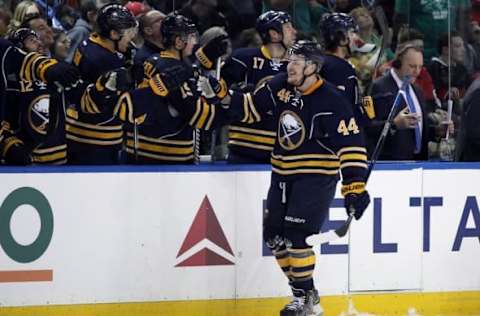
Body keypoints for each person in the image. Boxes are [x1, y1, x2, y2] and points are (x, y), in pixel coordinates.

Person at [205, 40, 370, 316]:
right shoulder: (279, 85)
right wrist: (222, 94)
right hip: (281, 174)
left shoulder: (333, 101)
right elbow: (250, 109)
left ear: (313, 67)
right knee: (274, 236)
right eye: (289, 60)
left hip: (316, 176)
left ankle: (307, 302)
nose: (288, 65)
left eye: (296, 61)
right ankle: (304, 297)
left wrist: (354, 187)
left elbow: (351, 145)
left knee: (296, 236)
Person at [124, 13, 228, 163]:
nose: (194, 42)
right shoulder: (171, 67)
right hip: (165, 152)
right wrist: (232, 109)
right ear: (179, 42)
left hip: (146, 145)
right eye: (191, 38)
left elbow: (189, 69)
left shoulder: (158, 60)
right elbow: (193, 111)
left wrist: (205, 57)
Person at [66, 3, 138, 164]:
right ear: (113, 34)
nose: (130, 37)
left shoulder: (91, 42)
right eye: (127, 32)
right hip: (96, 137)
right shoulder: (104, 60)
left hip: (78, 129)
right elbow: (116, 102)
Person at [221, 10, 297, 163]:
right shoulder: (242, 58)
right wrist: (238, 94)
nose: (294, 31)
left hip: (285, 150)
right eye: (288, 27)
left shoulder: (298, 64)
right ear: (274, 34)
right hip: (243, 149)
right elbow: (216, 94)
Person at [0, 37, 80, 164]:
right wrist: (8, 143)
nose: (39, 42)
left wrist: (47, 68)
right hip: (29, 159)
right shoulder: (13, 86)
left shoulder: (57, 73)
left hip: (60, 160)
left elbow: (22, 59)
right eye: (31, 39)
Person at [366, 44, 431, 160]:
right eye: (412, 66)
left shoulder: (418, 91)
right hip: (390, 164)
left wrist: (437, 131)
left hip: (418, 163)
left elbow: (419, 126)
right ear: (398, 63)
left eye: (420, 67)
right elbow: (366, 127)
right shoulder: (376, 87)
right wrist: (393, 125)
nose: (417, 72)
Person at [319, 12, 375, 124]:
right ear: (341, 38)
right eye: (352, 33)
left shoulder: (322, 62)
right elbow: (347, 110)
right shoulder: (341, 68)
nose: (356, 37)